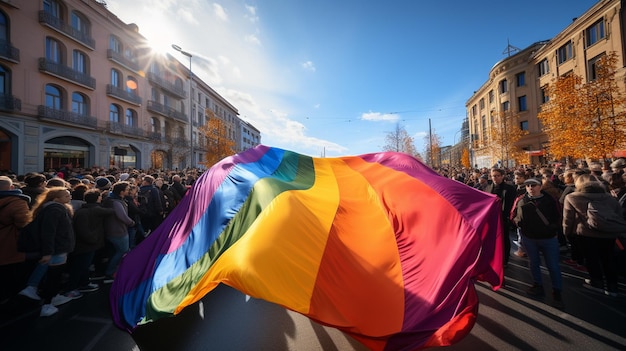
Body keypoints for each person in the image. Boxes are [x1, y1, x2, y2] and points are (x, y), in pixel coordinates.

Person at [563, 173, 622, 297]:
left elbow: (568, 219)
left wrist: (567, 233)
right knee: (608, 259)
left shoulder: (573, 197)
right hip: (608, 233)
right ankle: (613, 287)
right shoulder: (609, 197)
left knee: (592, 258)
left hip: (585, 233)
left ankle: (597, 283)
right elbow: (618, 214)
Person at [21, 187, 76, 317]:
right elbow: (49, 233)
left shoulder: (51, 208)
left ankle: (37, 290)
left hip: (56, 248)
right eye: (67, 196)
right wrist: (48, 252)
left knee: (47, 272)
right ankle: (48, 304)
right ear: (56, 198)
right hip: (58, 248)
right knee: (54, 276)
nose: (70, 198)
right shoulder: (55, 210)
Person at [512, 178, 564, 308]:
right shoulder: (521, 200)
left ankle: (557, 290)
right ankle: (537, 285)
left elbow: (559, 215)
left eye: (534, 185)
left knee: (553, 265)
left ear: (540, 186)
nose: (530, 187)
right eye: (528, 185)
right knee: (534, 263)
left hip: (548, 238)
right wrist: (519, 223)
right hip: (529, 238)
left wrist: (553, 228)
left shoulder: (550, 200)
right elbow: (513, 215)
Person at [65, 189, 115, 298]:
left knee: (84, 266)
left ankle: (84, 284)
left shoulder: (82, 210)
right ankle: (71, 288)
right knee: (79, 266)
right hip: (87, 244)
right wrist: (93, 239)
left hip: (86, 243)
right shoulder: (92, 210)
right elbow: (111, 211)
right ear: (97, 198)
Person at [0, 176, 32, 304]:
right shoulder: (17, 202)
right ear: (12, 187)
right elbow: (24, 223)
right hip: (10, 241)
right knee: (10, 273)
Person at [102, 181, 135, 283]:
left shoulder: (113, 199)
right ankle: (110, 272)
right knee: (123, 251)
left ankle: (115, 270)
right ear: (121, 192)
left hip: (115, 229)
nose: (128, 191)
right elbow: (122, 216)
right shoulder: (115, 202)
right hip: (118, 230)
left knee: (117, 251)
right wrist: (132, 222)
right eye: (126, 190)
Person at [486, 168, 517, 267]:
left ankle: (504, 259)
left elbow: (512, 204)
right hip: (491, 218)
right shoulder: (487, 188)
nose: (495, 178)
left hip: (504, 218)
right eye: (493, 176)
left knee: (504, 240)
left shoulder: (510, 188)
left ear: (502, 176)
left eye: (497, 175)